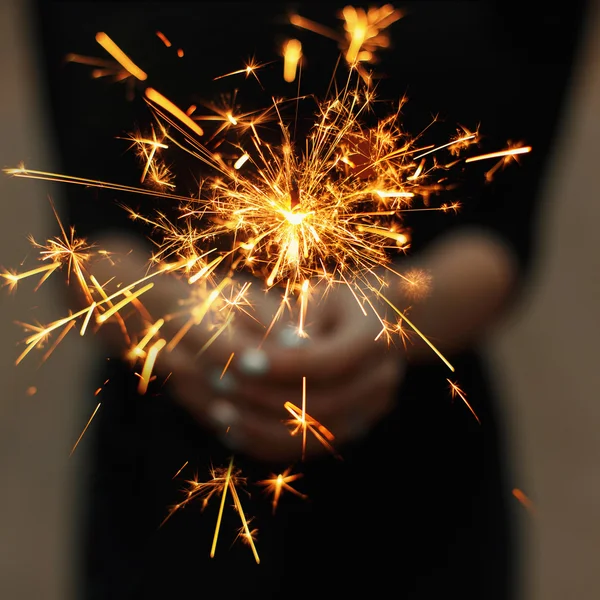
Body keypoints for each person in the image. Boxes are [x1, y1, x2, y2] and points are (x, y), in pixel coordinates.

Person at [33, 2, 587, 598]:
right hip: (162, 489)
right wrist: (172, 314)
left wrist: (398, 308)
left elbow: (505, 227)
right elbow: (84, 230)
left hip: (423, 491)